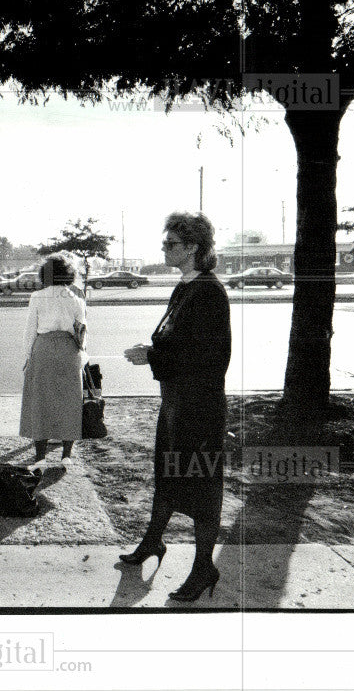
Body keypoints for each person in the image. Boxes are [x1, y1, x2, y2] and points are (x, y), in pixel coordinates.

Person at [122, 212, 231, 603]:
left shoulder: (209, 292)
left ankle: (204, 568)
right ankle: (153, 542)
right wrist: (152, 352)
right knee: (168, 475)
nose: (164, 248)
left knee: (201, 487)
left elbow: (210, 356)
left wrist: (151, 355)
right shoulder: (184, 288)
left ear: (193, 248)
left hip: (199, 410)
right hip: (176, 404)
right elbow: (174, 339)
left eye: (170, 244)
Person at [19, 253, 87, 469]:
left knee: (40, 402)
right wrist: (82, 357)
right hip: (69, 350)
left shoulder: (37, 297)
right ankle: (66, 454)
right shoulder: (76, 299)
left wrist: (27, 357)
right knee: (69, 401)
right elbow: (82, 333)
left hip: (44, 349)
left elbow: (30, 331)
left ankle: (40, 458)